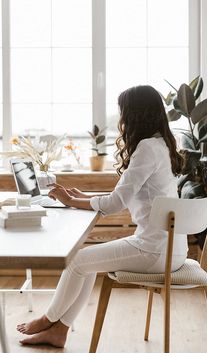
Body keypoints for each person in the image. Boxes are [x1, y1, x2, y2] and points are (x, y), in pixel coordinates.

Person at [17, 85, 188, 347]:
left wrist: (72, 200)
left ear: (134, 114)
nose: (121, 119)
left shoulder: (145, 149)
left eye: (123, 112)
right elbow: (122, 195)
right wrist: (79, 197)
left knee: (77, 260)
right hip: (172, 250)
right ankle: (59, 330)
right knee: (87, 263)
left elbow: (115, 204)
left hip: (154, 251)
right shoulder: (160, 145)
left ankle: (47, 320)